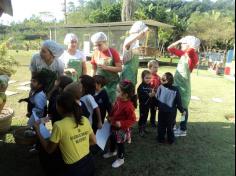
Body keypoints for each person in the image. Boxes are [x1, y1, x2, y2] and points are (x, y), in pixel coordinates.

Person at [34, 91, 97, 176]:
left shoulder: (59, 126)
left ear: (60, 108)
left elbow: (49, 150)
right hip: (89, 162)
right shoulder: (84, 119)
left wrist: (37, 130)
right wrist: (78, 143)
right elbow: (93, 141)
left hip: (74, 169)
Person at [167, 36, 200, 137]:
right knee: (172, 107)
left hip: (184, 89)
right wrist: (181, 40)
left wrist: (190, 43)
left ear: (190, 45)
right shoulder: (183, 54)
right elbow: (170, 48)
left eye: (183, 44)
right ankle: (172, 126)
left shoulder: (192, 56)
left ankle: (182, 129)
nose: (181, 45)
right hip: (176, 86)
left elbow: (191, 51)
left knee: (183, 110)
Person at [103, 80, 136, 168]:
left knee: (120, 144)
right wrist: (110, 116)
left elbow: (132, 120)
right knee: (112, 139)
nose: (115, 92)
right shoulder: (118, 99)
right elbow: (114, 109)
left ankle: (121, 159)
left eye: (118, 91)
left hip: (121, 130)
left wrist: (121, 123)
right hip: (113, 126)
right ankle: (112, 151)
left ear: (125, 95)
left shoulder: (129, 106)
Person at [90, 32, 122, 104]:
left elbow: (119, 68)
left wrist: (106, 67)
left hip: (112, 84)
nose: (98, 47)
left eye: (99, 45)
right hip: (100, 85)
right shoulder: (95, 53)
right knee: (100, 104)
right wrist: (92, 81)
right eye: (95, 45)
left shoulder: (113, 52)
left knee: (112, 104)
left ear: (105, 42)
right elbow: (93, 69)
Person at [156, 72, 185, 144]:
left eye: (163, 79)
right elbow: (179, 102)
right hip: (168, 112)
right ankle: (169, 139)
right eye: (161, 79)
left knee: (163, 125)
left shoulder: (162, 87)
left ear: (168, 81)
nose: (161, 80)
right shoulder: (173, 89)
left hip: (166, 112)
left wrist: (182, 110)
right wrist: (182, 110)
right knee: (168, 126)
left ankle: (162, 139)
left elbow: (157, 98)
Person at [120, 21, 149, 86]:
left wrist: (142, 51)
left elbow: (133, 52)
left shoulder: (136, 41)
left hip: (134, 69)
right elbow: (126, 45)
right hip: (128, 70)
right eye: (143, 33)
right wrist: (137, 36)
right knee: (127, 88)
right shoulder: (129, 39)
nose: (144, 35)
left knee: (132, 87)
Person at [137, 70, 155, 137]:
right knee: (142, 117)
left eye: (150, 78)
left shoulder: (149, 85)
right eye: (146, 78)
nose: (148, 79)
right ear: (143, 78)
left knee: (145, 117)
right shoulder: (141, 87)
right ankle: (140, 130)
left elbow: (151, 94)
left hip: (148, 105)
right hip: (143, 105)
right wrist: (148, 95)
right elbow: (141, 96)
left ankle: (144, 128)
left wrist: (153, 94)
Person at [147, 60, 161, 127]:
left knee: (154, 110)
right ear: (150, 68)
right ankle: (143, 122)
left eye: (157, 67)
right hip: (149, 97)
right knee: (146, 110)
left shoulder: (158, 77)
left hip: (155, 98)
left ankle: (152, 122)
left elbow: (160, 85)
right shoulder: (147, 77)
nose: (156, 69)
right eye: (155, 67)